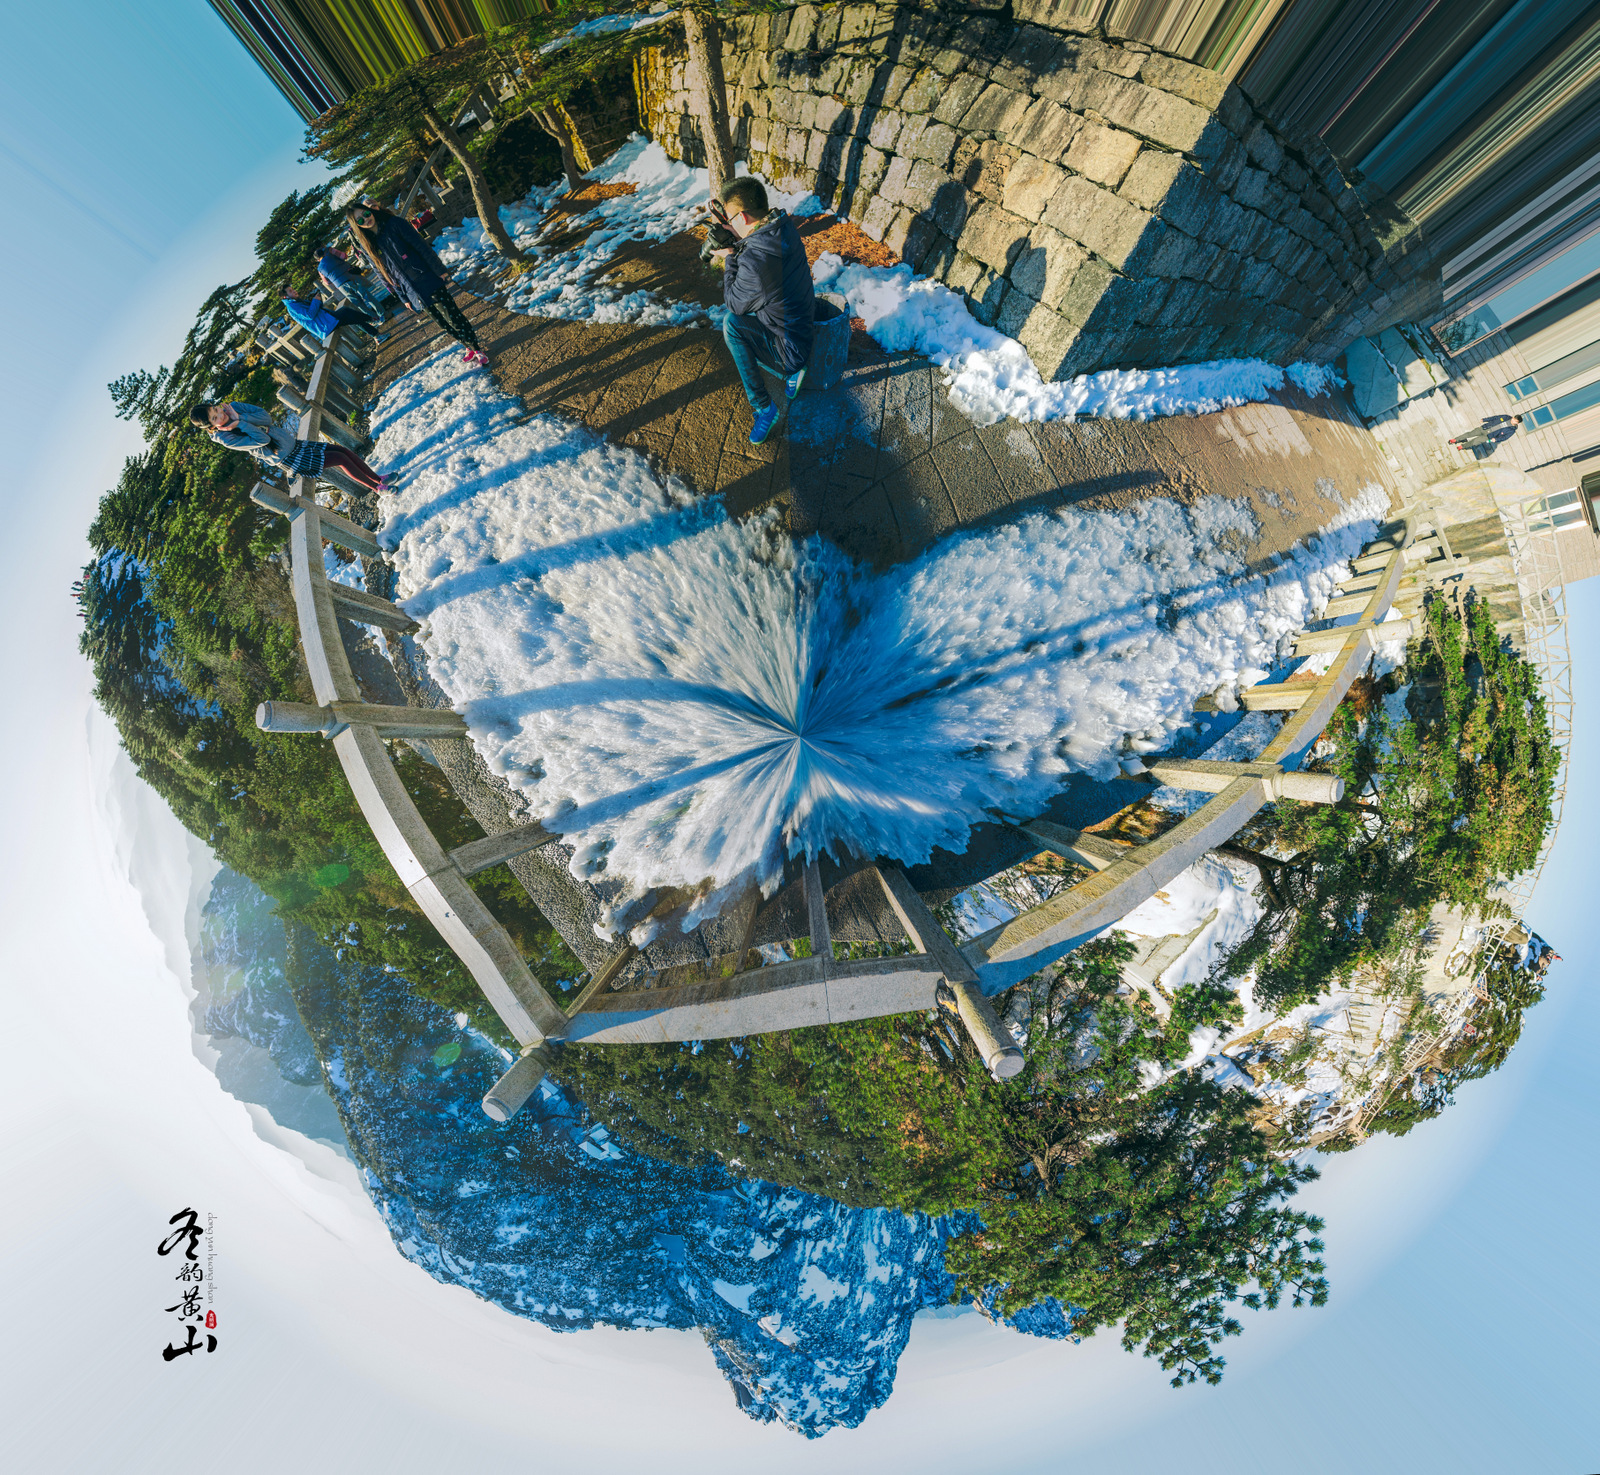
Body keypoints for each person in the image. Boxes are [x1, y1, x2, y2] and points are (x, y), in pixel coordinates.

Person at [706, 177, 814, 445]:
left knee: (732, 325)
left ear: (742, 217)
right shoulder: (781, 225)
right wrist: (738, 243)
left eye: (730, 219)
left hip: (789, 348)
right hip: (800, 325)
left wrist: (730, 258)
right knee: (755, 308)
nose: (729, 225)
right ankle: (795, 370)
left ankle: (764, 407)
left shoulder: (755, 262)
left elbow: (734, 302)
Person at [345, 203, 488, 367]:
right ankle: (467, 346)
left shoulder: (395, 224)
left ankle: (476, 348)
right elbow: (382, 273)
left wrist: (439, 270)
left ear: (371, 211)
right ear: (357, 226)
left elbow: (421, 246)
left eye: (366, 214)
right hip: (410, 290)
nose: (366, 219)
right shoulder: (368, 246)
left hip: (426, 277)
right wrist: (403, 297)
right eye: (360, 220)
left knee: (452, 316)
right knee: (442, 323)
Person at [191, 401, 390, 493]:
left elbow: (266, 418)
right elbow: (262, 440)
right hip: (289, 458)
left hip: (295, 444)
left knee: (342, 451)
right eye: (215, 418)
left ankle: (378, 478)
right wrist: (239, 424)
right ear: (211, 427)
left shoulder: (234, 408)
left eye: (215, 409)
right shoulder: (227, 438)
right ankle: (377, 488)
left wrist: (240, 416)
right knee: (341, 460)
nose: (220, 414)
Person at [281, 290, 384, 346]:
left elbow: (316, 309)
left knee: (352, 317)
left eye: (292, 289)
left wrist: (316, 300)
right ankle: (373, 321)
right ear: (286, 296)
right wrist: (315, 301)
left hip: (327, 321)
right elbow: (310, 315)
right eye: (290, 291)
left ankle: (376, 334)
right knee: (346, 312)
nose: (294, 291)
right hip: (325, 327)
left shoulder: (296, 302)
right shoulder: (292, 307)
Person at [316, 247, 387, 322]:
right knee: (366, 296)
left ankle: (374, 318)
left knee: (358, 303)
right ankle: (382, 314)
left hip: (340, 285)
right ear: (323, 252)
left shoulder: (319, 269)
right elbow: (344, 256)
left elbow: (327, 282)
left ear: (317, 260)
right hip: (350, 276)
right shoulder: (331, 251)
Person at [1449, 413, 1523, 450]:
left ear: (1517, 423)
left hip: (1489, 436)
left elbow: (1505, 437)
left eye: (1515, 421)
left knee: (1475, 442)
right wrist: (1485, 420)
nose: (1512, 420)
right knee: (1470, 434)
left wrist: (1496, 439)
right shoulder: (1506, 417)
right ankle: (1455, 440)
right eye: (1513, 418)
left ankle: (1462, 446)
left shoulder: (1512, 430)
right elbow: (1495, 417)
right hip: (1485, 428)